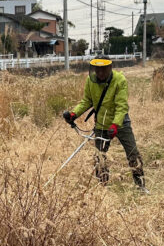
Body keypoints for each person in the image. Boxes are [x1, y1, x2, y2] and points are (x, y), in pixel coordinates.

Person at [61, 57, 146, 190]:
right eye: (97, 70)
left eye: (103, 70)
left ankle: (140, 186)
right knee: (99, 157)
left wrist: (115, 125)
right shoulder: (90, 80)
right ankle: (102, 187)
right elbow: (87, 101)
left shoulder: (119, 80)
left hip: (120, 124)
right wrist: (74, 114)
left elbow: (121, 106)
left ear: (110, 68)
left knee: (133, 154)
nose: (100, 73)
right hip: (101, 123)